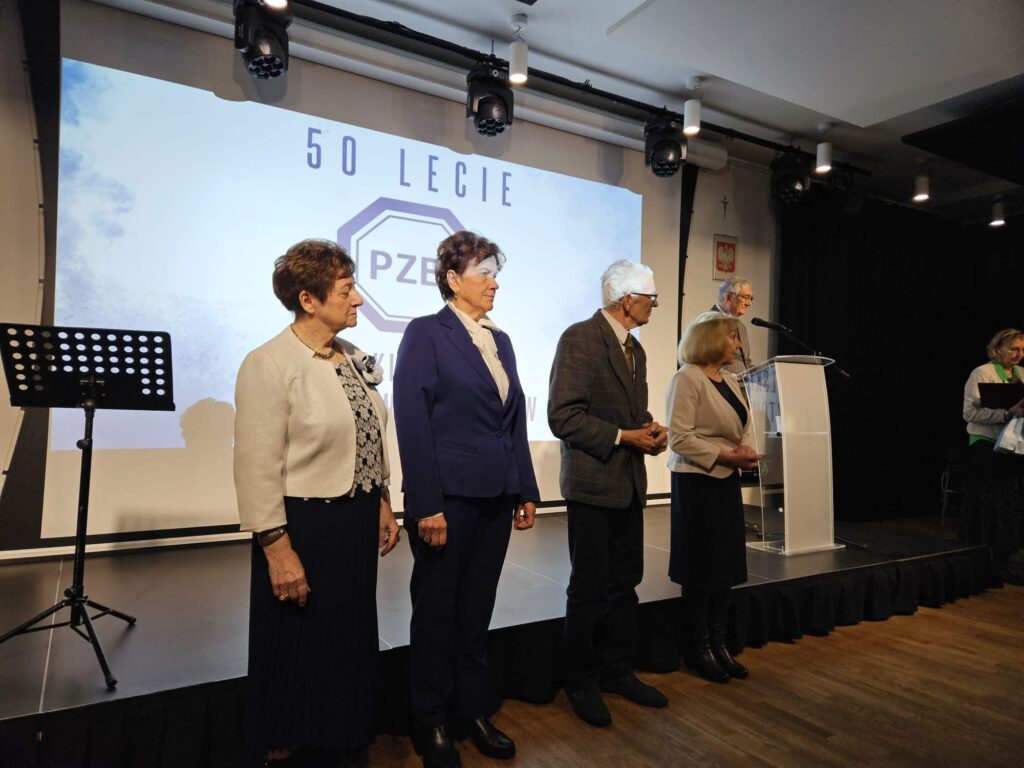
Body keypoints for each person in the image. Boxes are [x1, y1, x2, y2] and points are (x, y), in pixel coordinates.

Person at [234, 238, 400, 767]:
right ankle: (287, 738)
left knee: (346, 635)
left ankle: (340, 731)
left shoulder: (348, 356)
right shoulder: (268, 362)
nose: (359, 300)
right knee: (296, 638)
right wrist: (277, 548)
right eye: (347, 290)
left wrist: (381, 498)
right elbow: (256, 464)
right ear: (308, 299)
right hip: (303, 524)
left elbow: (368, 434)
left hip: (353, 518)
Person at [393, 231, 539, 768]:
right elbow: (412, 421)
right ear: (453, 280)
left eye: (496, 274)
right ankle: (429, 719)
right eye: (485, 274)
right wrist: (426, 504)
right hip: (447, 501)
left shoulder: (501, 340)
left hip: (496, 495)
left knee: (476, 611)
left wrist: (526, 487)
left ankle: (471, 711)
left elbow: (513, 422)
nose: (494, 283)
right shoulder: (425, 333)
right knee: (436, 614)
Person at [547, 259, 669, 728]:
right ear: (627, 299)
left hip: (628, 486)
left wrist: (650, 430)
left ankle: (617, 671)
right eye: (651, 297)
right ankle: (580, 680)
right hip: (593, 486)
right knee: (590, 588)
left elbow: (630, 415)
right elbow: (564, 416)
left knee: (625, 584)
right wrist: (623, 436)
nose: (655, 304)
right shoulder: (580, 338)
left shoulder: (636, 350)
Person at [665, 311, 760, 684]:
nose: (737, 344)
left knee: (724, 565)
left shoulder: (731, 380)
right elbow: (680, 437)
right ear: (711, 339)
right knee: (701, 567)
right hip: (697, 480)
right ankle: (699, 648)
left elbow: (743, 426)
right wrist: (727, 456)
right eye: (732, 337)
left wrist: (745, 450)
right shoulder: (687, 378)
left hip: (725, 479)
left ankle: (719, 644)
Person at [961, 328, 1024, 581]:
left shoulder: (1021, 374)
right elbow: (969, 413)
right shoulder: (982, 373)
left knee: (1010, 504)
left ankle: (1004, 558)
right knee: (992, 503)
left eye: (1022, 349)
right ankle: (986, 560)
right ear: (997, 349)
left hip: (1013, 446)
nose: (1019, 354)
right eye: (1014, 349)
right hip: (987, 445)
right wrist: (1006, 413)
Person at [709, 275, 755, 375]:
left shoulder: (741, 326)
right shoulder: (709, 323)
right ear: (728, 297)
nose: (749, 303)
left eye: (751, 298)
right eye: (745, 297)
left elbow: (746, 362)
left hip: (742, 384)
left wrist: (766, 372)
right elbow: (706, 360)